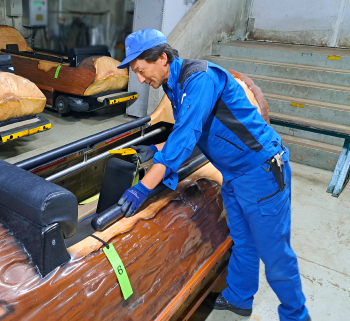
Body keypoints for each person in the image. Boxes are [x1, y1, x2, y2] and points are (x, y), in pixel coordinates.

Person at [116, 28, 310, 321]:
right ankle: (238, 297)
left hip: (262, 171)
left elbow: (186, 135)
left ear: (162, 58)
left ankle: (296, 316)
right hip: (233, 172)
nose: (141, 80)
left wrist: (143, 187)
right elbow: (189, 131)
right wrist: (151, 149)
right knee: (243, 240)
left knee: (275, 255)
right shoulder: (174, 84)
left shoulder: (200, 78)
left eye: (142, 71)